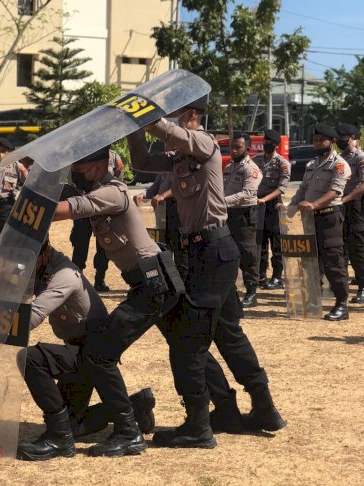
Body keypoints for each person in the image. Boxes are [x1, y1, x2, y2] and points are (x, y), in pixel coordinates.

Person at [128, 97, 286, 448]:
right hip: (207, 252)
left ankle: (198, 426)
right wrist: (135, 129)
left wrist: (147, 116)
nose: (167, 121)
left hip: (213, 251)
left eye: (174, 115)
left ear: (192, 115)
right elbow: (140, 161)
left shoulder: (204, 142)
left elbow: (173, 133)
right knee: (229, 334)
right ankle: (264, 408)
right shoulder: (181, 156)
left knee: (187, 343)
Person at [50, 145, 187, 457]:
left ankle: (129, 433)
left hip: (154, 285)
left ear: (97, 167)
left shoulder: (111, 194)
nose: (75, 174)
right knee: (105, 349)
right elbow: (64, 193)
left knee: (99, 353)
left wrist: (29, 207)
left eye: (80, 168)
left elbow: (64, 210)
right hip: (146, 284)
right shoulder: (101, 188)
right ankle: (136, 407)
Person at [16, 239, 156, 461]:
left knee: (30, 358)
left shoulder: (63, 274)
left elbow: (34, 314)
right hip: (79, 349)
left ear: (45, 252)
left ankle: (58, 438)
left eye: (27, 259)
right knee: (73, 426)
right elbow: (17, 290)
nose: (23, 266)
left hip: (90, 351)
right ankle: (135, 405)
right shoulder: (44, 267)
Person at [287, 124, 352, 320]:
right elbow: (302, 189)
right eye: (315, 140)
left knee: (333, 261)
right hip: (310, 218)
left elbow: (335, 191)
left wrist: (314, 204)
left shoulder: (339, 165)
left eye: (321, 140)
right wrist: (290, 206)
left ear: (331, 142)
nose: (317, 143)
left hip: (329, 216)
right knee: (310, 260)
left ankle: (342, 304)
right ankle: (314, 298)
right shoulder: (311, 165)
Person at [68, 151, 123, 291]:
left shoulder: (114, 158)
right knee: (80, 244)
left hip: (104, 209)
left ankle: (100, 279)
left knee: (104, 245)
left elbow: (119, 181)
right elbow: (71, 181)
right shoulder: (80, 155)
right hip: (84, 207)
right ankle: (77, 280)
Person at [223, 132, 263, 307]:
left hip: (244, 214)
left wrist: (221, 201)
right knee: (229, 252)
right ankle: (231, 291)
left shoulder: (251, 168)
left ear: (247, 147)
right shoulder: (229, 168)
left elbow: (247, 193)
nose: (233, 150)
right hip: (228, 214)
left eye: (237, 146)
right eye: (232, 146)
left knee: (247, 253)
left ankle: (252, 292)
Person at [335, 123, 364, 304]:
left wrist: (346, 199)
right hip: (340, 203)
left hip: (354, 204)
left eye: (342, 139)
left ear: (351, 139)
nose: (339, 141)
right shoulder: (340, 157)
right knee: (342, 244)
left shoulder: (360, 158)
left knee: (357, 244)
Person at [254, 129, 291, 290]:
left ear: (276, 145)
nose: (266, 145)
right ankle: (261, 275)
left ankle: (277, 277)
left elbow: (282, 188)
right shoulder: (256, 160)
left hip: (273, 205)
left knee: (276, 243)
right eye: (265, 142)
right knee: (260, 242)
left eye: (270, 143)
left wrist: (264, 199)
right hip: (258, 205)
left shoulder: (282, 163)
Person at [133, 173, 184, 266]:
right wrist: (142, 195)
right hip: (162, 211)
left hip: (176, 210)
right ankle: (169, 275)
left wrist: (163, 196)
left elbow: (181, 186)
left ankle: (182, 279)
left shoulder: (180, 165)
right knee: (163, 246)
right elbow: (155, 187)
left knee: (179, 248)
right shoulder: (164, 170)